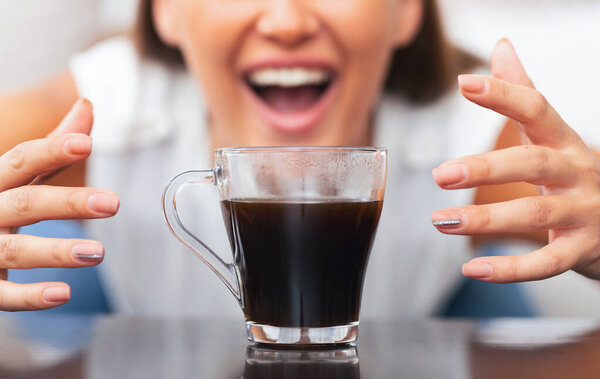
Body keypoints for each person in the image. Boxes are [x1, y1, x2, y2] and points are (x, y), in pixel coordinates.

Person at [1, 0, 599, 316]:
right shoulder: (107, 108)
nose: (287, 22)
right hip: (125, 299)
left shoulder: (464, 142)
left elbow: (581, 205)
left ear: (406, 11)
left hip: (421, 312)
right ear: (167, 11)